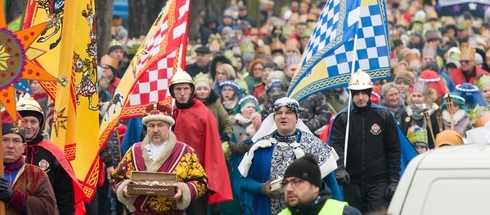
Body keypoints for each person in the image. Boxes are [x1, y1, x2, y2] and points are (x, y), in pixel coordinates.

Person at [239, 98, 338, 215]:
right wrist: (262, 188)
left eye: (289, 113)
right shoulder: (260, 147)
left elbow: (331, 183)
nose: (283, 116)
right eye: (279, 113)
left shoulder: (314, 145)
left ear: (296, 118)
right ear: (274, 117)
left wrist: (339, 210)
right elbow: (243, 182)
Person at [111, 102, 208, 213]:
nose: (155, 130)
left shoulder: (185, 151)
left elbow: (202, 181)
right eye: (151, 126)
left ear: (168, 127)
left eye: (160, 125)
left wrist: (183, 190)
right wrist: (124, 188)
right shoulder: (134, 151)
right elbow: (116, 179)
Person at [330, 70, 400, 213]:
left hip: (379, 181)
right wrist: (339, 168)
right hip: (351, 180)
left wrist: (394, 180)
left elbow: (393, 150)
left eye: (363, 93)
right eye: (356, 93)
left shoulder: (383, 115)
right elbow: (336, 145)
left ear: (369, 93)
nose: (360, 97)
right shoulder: (343, 118)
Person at [170, 70, 233, 214]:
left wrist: (209, 176)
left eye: (186, 88)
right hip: (172, 173)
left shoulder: (203, 114)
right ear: (173, 92)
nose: (182, 93)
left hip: (196, 175)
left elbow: (212, 147)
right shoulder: (170, 112)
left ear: (192, 90)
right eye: (178, 89)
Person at [16, 94, 85, 215]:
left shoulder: (52, 152)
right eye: (24, 121)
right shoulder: (5, 151)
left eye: (33, 122)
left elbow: (65, 194)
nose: (28, 126)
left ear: (40, 125)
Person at [278, 154, 361, 215]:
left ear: (315, 187)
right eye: (285, 183)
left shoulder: (344, 213)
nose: (288, 189)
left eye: (296, 182)